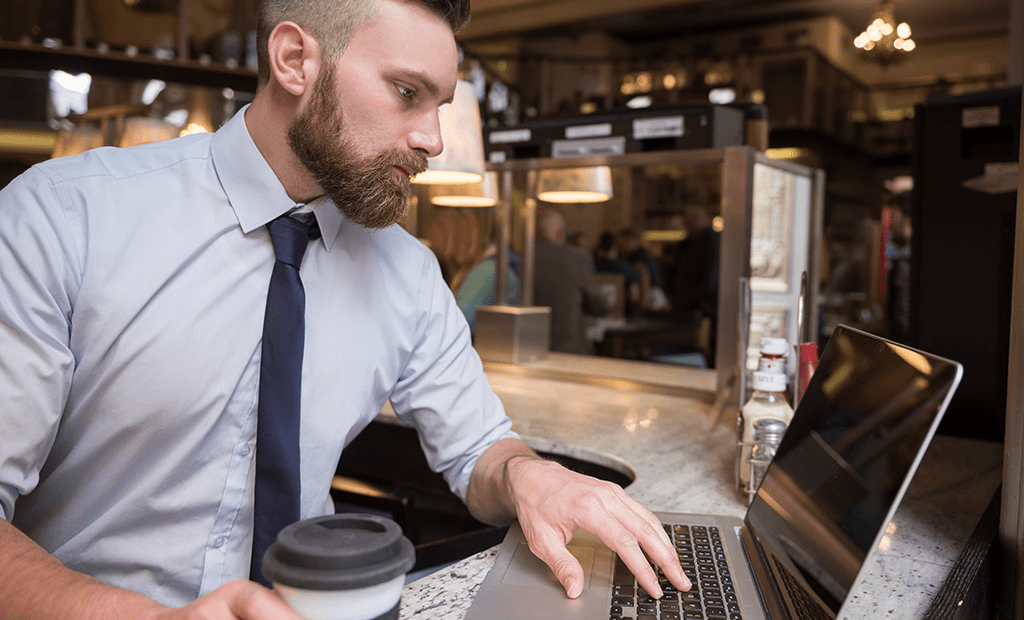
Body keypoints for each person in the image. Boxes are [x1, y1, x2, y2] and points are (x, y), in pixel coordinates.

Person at [0, 0, 690, 618]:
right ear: (294, 60)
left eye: (440, 104)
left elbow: (479, 449)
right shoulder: (64, 219)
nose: (433, 139)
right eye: (406, 92)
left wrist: (526, 475)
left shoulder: (408, 273)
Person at [533, 207, 611, 354]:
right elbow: (600, 306)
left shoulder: (522, 258)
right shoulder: (577, 258)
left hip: (529, 349)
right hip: (569, 350)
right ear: (560, 233)